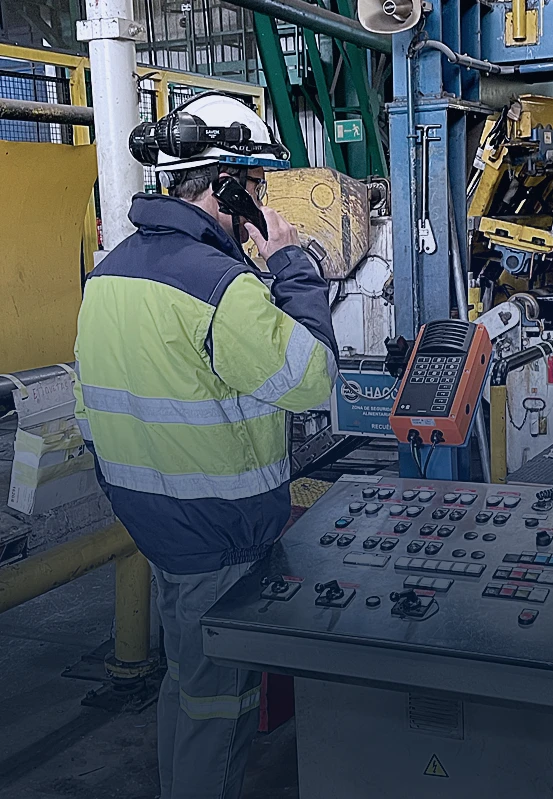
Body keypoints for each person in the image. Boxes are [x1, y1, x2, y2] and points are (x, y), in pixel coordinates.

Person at [73, 92, 338, 799]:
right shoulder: (225, 287)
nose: (262, 200)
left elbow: (88, 408)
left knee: (189, 686)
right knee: (218, 706)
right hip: (219, 537)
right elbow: (312, 380)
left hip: (157, 525)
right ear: (227, 189)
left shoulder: (109, 272)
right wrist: (292, 266)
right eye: (256, 186)